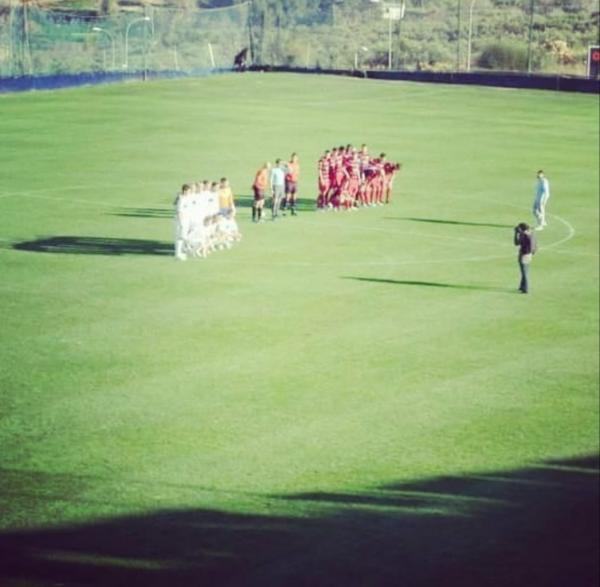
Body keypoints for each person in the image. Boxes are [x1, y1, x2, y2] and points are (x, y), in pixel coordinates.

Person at [514, 222, 537, 294]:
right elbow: (535, 244)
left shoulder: (524, 235)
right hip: (529, 255)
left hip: (524, 255)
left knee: (524, 273)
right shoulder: (531, 234)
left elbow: (516, 243)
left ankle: (525, 289)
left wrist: (516, 234)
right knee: (525, 272)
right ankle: (522, 286)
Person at [174, 184, 194, 261]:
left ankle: (180, 252)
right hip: (181, 220)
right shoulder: (181, 199)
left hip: (187, 220)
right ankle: (178, 254)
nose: (189, 192)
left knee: (182, 237)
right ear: (184, 191)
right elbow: (179, 212)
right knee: (180, 237)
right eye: (188, 191)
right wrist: (181, 222)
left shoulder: (188, 198)